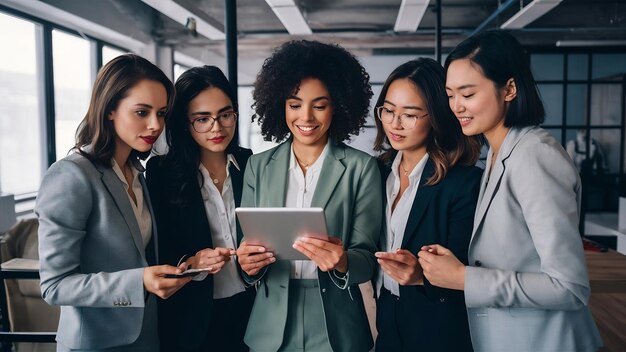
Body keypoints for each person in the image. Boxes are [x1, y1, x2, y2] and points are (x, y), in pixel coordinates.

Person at [418, 30, 603, 351]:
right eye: (450, 95)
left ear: (510, 89)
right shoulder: (498, 153)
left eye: (468, 94)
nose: (456, 106)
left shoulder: (534, 155)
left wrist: (464, 279)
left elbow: (569, 288)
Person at [36, 54, 191, 352]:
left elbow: (135, 257)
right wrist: (138, 282)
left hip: (146, 340)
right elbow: (55, 286)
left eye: (161, 113)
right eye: (141, 112)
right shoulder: (72, 175)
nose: (155, 125)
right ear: (109, 110)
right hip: (95, 344)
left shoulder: (137, 172)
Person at [235, 40, 382, 352]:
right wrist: (247, 265)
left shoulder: (362, 169)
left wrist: (342, 261)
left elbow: (367, 260)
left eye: (319, 105)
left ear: (338, 106)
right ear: (280, 105)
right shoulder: (257, 167)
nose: (306, 118)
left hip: (337, 322)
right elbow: (246, 252)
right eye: (295, 104)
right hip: (270, 324)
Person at [372, 58, 482, 351]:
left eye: (410, 114)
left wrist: (422, 277)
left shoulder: (464, 183)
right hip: (388, 319)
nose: (395, 124)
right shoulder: (377, 172)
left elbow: (471, 270)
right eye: (388, 111)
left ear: (436, 116)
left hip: (441, 327)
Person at [146, 66, 254, 352]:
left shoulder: (252, 164)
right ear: (184, 122)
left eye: (225, 115)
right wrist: (193, 261)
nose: (217, 128)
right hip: (193, 316)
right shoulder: (161, 173)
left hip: (252, 309)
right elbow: (157, 248)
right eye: (202, 119)